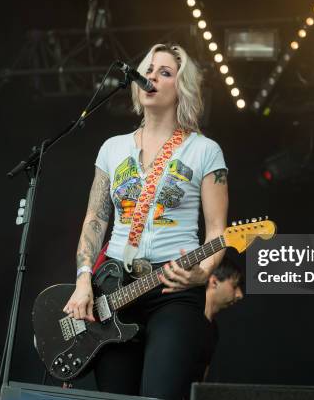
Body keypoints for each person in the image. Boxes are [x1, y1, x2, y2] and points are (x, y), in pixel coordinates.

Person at [63, 43, 229, 400]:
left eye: (164, 72)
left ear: (180, 88)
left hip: (173, 290)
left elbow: (217, 231)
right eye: (148, 70)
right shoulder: (112, 148)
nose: (151, 76)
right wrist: (83, 280)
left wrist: (203, 272)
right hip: (115, 291)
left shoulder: (204, 150)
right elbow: (95, 219)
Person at [201, 257, 244, 381]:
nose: (240, 295)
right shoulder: (186, 322)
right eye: (235, 286)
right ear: (214, 282)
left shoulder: (213, 330)